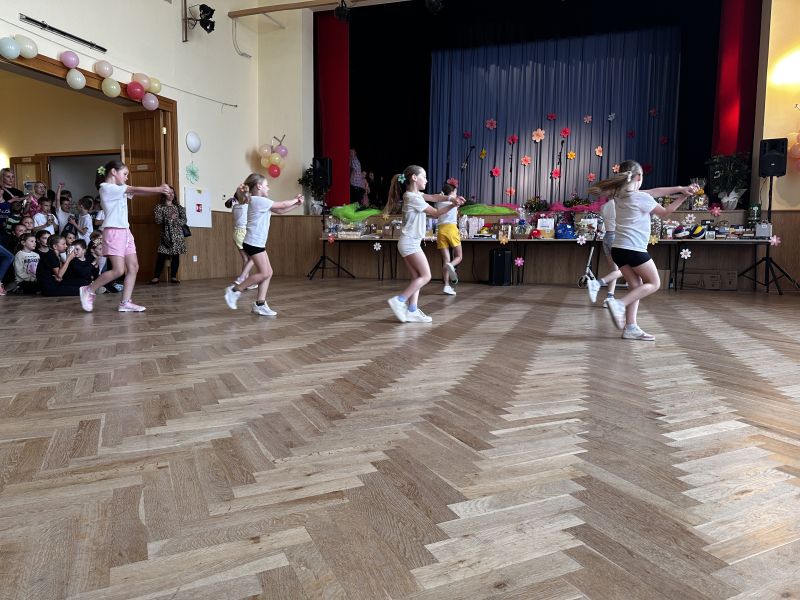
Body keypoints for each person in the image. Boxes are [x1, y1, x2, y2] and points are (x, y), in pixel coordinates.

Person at [587, 160, 695, 341]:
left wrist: (680, 188)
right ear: (638, 177)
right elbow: (665, 212)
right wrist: (683, 196)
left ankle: (630, 327)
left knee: (636, 286)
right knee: (654, 283)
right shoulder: (641, 198)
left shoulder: (619, 195)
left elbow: (655, 192)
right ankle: (619, 304)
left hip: (618, 250)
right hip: (634, 250)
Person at [78, 160, 170, 313]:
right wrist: (159, 189)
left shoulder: (120, 189)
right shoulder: (106, 188)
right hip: (114, 232)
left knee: (133, 267)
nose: (127, 177)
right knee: (118, 270)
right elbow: (135, 188)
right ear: (114, 172)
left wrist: (159, 191)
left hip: (125, 231)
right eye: (125, 174)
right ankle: (89, 290)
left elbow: (138, 192)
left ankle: (125, 302)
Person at [384, 165, 464, 323]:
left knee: (417, 277)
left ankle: (412, 310)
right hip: (410, 243)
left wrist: (451, 199)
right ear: (414, 178)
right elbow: (435, 213)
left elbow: (434, 197)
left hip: (408, 242)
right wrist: (453, 205)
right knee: (426, 276)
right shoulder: (413, 198)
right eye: (424, 177)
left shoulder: (415, 195)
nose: (427, 180)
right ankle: (400, 300)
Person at [224, 174, 303, 316]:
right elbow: (282, 205)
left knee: (268, 273)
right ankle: (234, 290)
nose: (269, 188)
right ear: (259, 186)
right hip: (253, 243)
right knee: (264, 273)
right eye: (267, 185)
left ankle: (260, 304)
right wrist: (295, 200)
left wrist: (296, 204)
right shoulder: (258, 200)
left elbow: (280, 211)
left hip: (257, 243)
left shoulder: (260, 201)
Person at [586, 197, 622, 307]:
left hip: (607, 237)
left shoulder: (604, 207)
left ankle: (609, 297)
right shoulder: (620, 205)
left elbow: (602, 226)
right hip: (616, 237)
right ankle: (598, 283)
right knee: (625, 269)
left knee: (615, 270)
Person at [150, 185, 187, 284]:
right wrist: (169, 218)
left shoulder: (179, 207)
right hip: (165, 235)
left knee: (176, 255)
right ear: (164, 194)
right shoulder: (159, 207)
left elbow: (184, 221)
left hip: (177, 235)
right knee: (161, 255)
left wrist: (174, 220)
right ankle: (156, 277)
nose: (171, 195)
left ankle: (173, 277)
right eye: (168, 193)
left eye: (172, 193)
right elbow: (158, 220)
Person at [224, 192, 255, 289]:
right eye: (247, 196)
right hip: (243, 233)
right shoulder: (245, 207)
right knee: (253, 258)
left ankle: (246, 283)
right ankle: (241, 280)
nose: (249, 197)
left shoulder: (235, 207)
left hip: (237, 233)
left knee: (246, 259)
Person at [436, 182, 462, 295]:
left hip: (441, 230)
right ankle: (452, 265)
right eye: (455, 192)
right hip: (451, 229)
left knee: (446, 260)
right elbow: (458, 202)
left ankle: (446, 286)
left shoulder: (439, 202)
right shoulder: (455, 201)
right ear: (451, 192)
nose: (456, 194)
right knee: (459, 256)